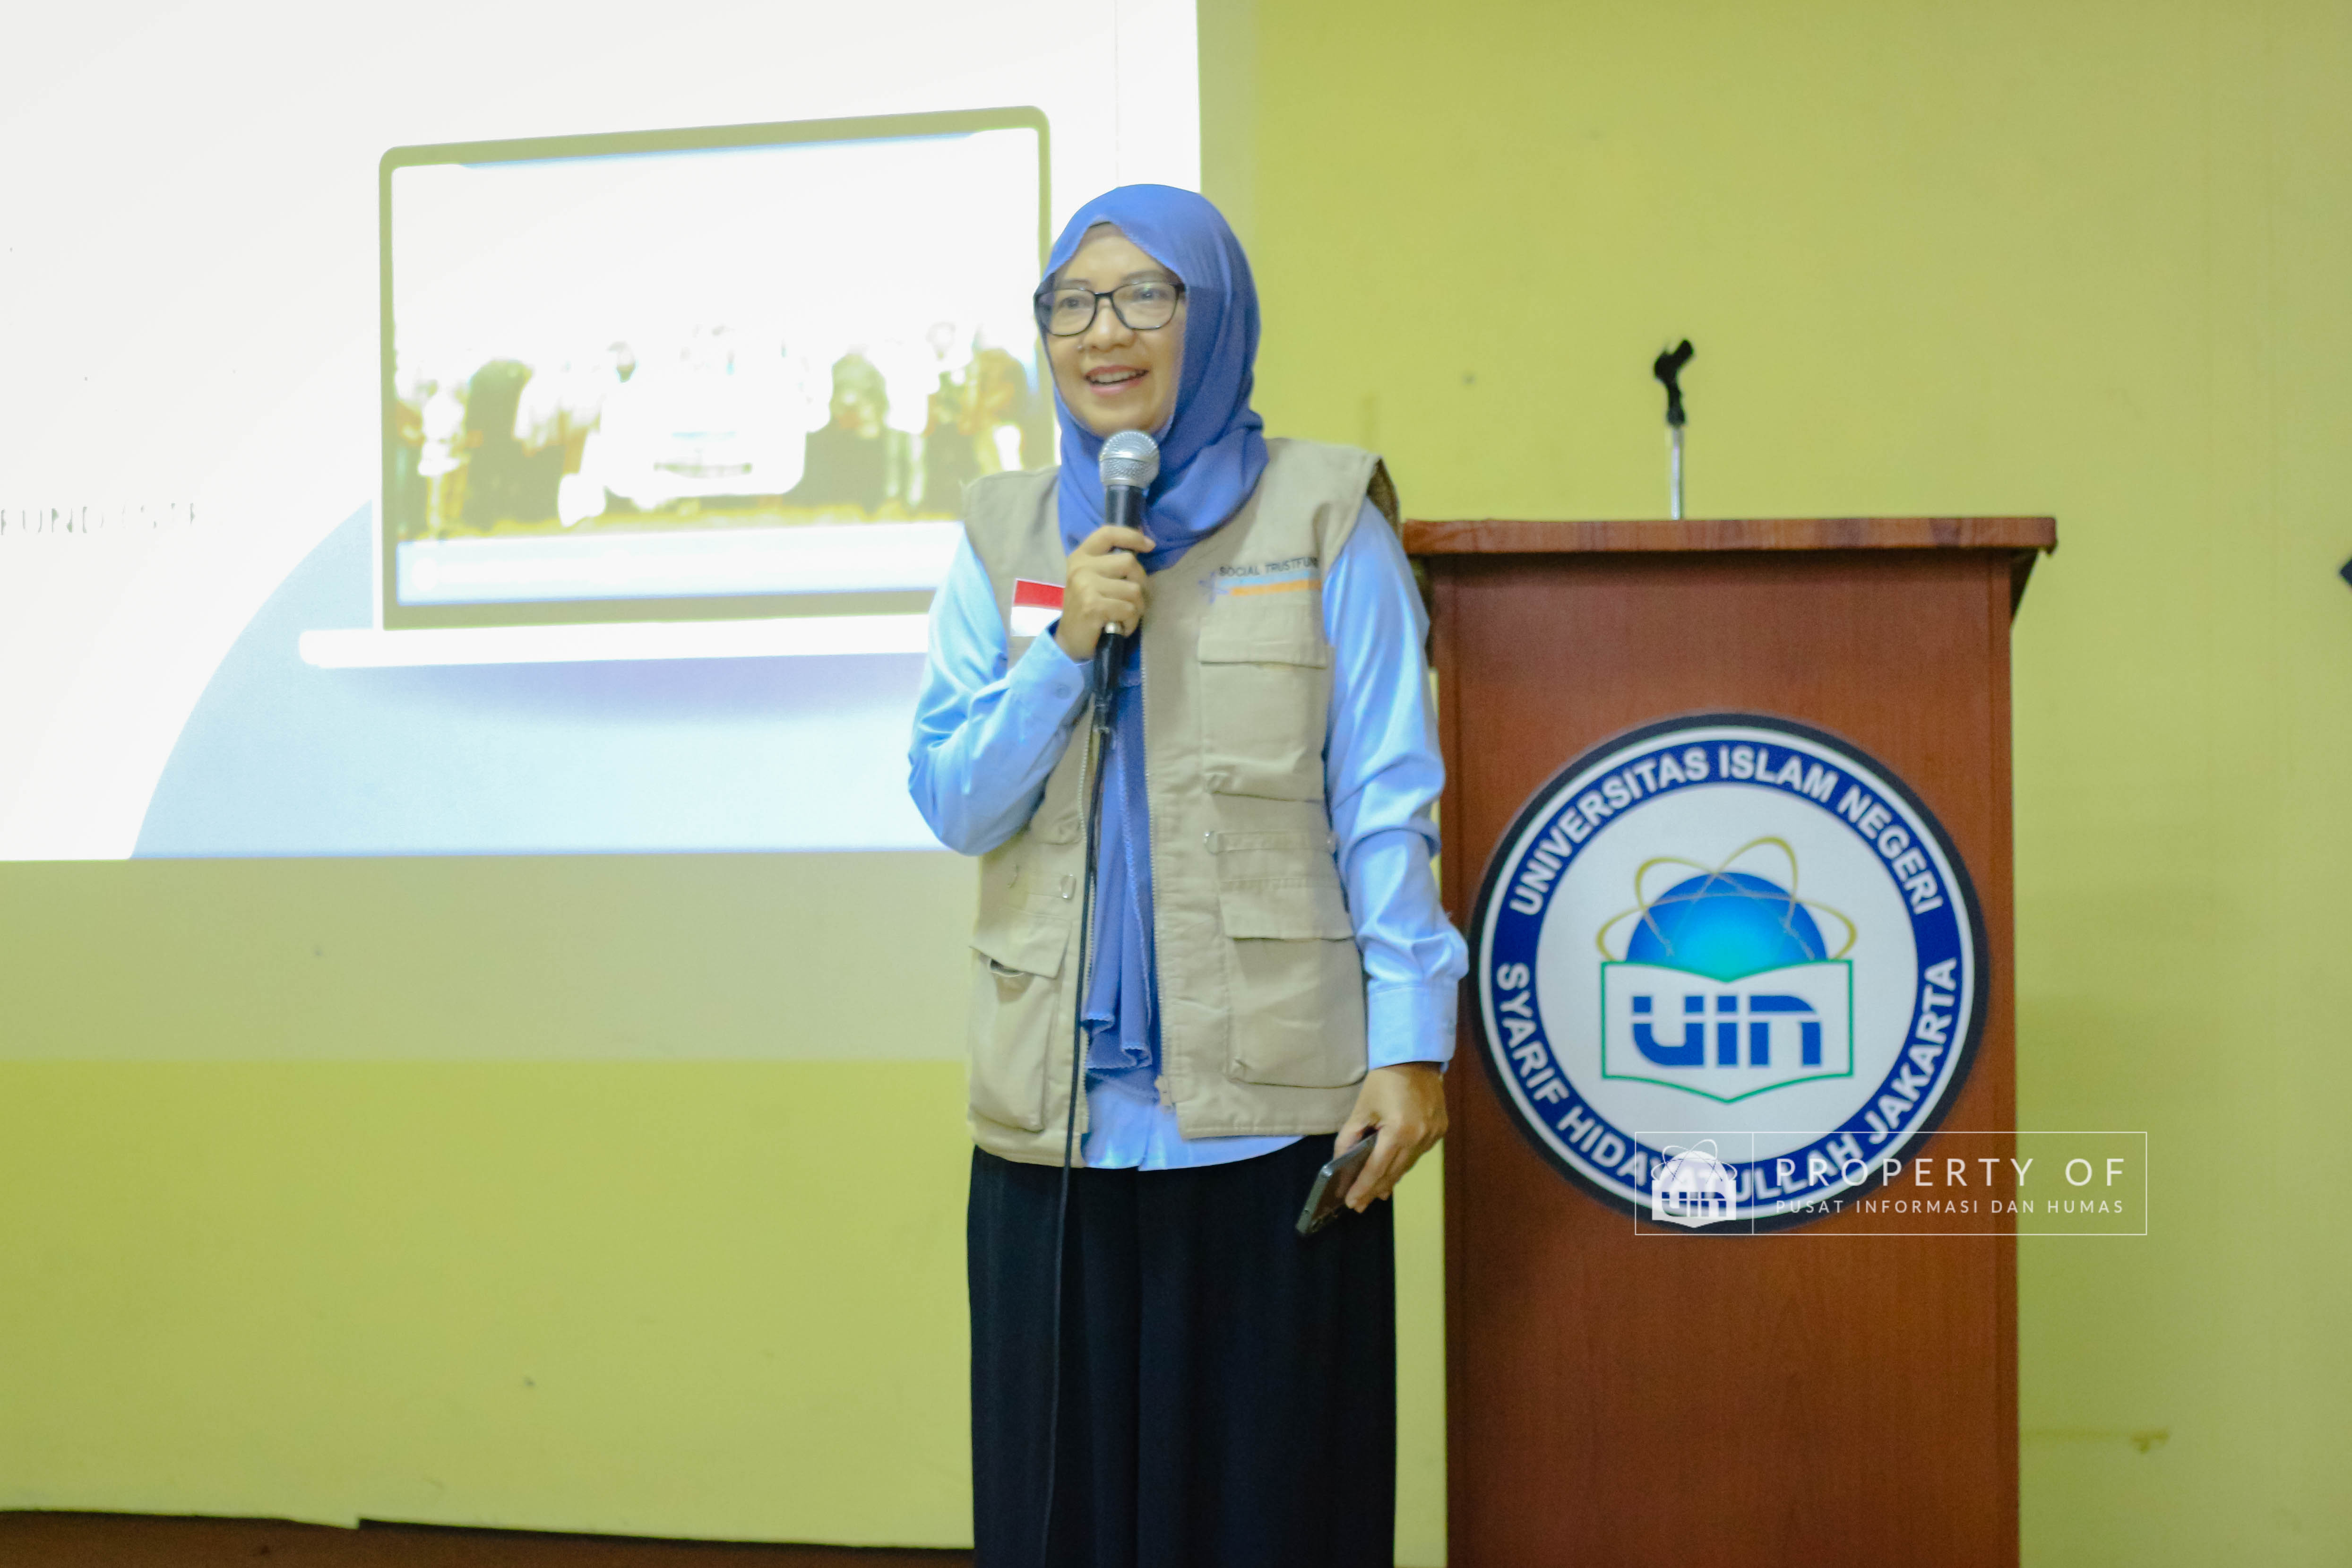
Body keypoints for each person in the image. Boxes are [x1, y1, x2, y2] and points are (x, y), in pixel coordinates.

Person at [907, 185, 1467, 1568]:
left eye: (1146, 296)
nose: (1104, 333)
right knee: (1065, 1521)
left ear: (1213, 320)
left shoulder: (1326, 516)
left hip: (1270, 1120)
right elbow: (955, 799)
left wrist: (1410, 1047)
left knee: (1266, 1518)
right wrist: (1061, 654)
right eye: (1071, 303)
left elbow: (1385, 801)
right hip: (1058, 1130)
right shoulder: (1002, 533)